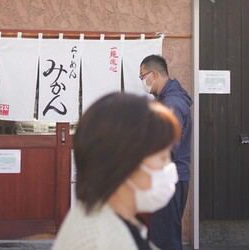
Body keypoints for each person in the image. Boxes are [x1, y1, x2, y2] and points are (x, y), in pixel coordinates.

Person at [53, 93, 181, 250]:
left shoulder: (111, 220)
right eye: (162, 158)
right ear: (125, 162)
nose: (169, 167)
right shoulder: (97, 240)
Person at [139, 55, 193, 250]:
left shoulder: (172, 104)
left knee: (166, 238)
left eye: (142, 76)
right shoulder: (165, 100)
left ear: (154, 75)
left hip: (169, 179)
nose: (142, 81)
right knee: (165, 234)